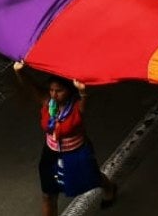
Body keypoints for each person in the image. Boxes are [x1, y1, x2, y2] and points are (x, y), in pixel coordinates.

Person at [14, 61, 117, 215]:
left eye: (59, 91)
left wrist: (83, 92)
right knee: (48, 194)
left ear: (69, 91)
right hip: (51, 153)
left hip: (76, 153)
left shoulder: (76, 107)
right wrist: (20, 72)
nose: (54, 94)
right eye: (51, 90)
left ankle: (109, 187)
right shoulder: (48, 102)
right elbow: (31, 88)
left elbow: (84, 102)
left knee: (92, 177)